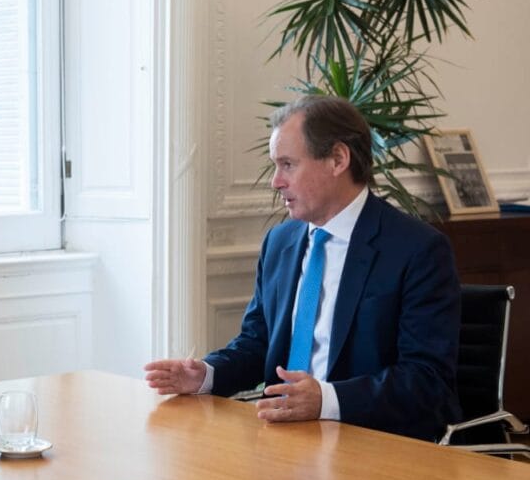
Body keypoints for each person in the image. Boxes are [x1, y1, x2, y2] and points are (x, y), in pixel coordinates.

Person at [144, 96, 461, 441]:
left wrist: (327, 400)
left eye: (288, 165)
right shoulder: (279, 242)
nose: (276, 181)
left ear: (338, 159)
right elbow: (257, 343)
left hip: (371, 442)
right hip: (283, 438)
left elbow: (427, 380)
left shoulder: (416, 249)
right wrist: (206, 375)